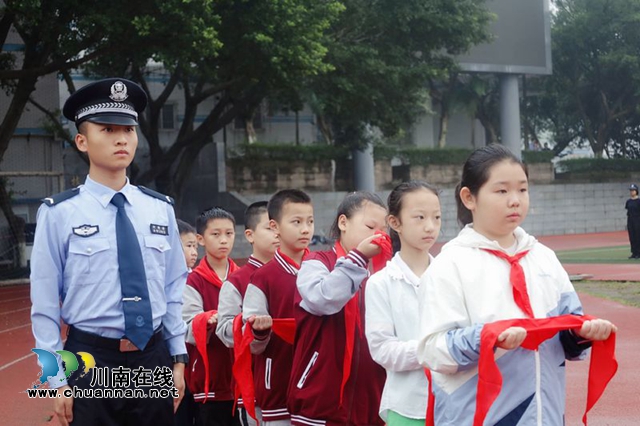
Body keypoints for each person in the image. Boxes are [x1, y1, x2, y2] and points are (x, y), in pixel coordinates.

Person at [416, 144, 617, 425]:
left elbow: (570, 329)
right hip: (476, 416)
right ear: (469, 197)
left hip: (545, 415)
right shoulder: (450, 264)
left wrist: (584, 333)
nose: (515, 200)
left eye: (522, 190)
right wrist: (486, 340)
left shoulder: (543, 258)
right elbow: (433, 351)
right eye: (502, 191)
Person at [30, 78, 189, 426]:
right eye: (107, 129)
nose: (122, 139)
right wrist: (57, 381)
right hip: (90, 361)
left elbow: (173, 290)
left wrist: (177, 359)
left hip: (153, 356)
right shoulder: (58, 214)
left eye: (128, 130)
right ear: (82, 141)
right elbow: (43, 308)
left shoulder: (159, 209)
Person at [288, 191, 388, 426]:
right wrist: (359, 259)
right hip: (320, 400)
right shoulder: (317, 261)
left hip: (373, 399)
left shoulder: (382, 272)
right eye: (370, 226)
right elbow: (323, 298)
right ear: (343, 222)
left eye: (383, 230)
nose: (378, 236)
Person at [365, 181, 441, 426]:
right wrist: (433, 350)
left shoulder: (451, 275)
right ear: (394, 222)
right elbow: (382, 349)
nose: (430, 226)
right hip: (407, 407)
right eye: (419, 217)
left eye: (437, 217)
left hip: (455, 404)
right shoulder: (380, 283)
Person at [242, 189, 314, 426]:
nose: (305, 229)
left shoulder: (322, 270)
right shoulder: (263, 277)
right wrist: (260, 331)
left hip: (318, 388)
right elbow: (250, 343)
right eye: (296, 222)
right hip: (277, 390)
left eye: (310, 221)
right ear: (275, 226)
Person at [216, 201, 280, 426]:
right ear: (250, 235)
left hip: (298, 387)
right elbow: (223, 332)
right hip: (257, 391)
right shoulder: (237, 281)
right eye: (269, 228)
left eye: (278, 226)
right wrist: (252, 328)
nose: (277, 233)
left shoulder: (302, 274)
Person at [182, 207, 240, 426]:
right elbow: (186, 328)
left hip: (241, 379)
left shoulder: (242, 277)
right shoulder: (194, 281)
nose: (223, 240)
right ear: (201, 239)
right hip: (209, 379)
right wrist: (206, 320)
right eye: (215, 235)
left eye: (229, 234)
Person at [625, 183, 640, 259]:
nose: (631, 192)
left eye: (633, 190)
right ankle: (634, 252)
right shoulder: (628, 201)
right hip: (630, 220)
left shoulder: (639, 201)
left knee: (638, 237)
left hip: (638, 220)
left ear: (636, 191)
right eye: (630, 190)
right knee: (632, 237)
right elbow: (628, 211)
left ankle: (638, 253)